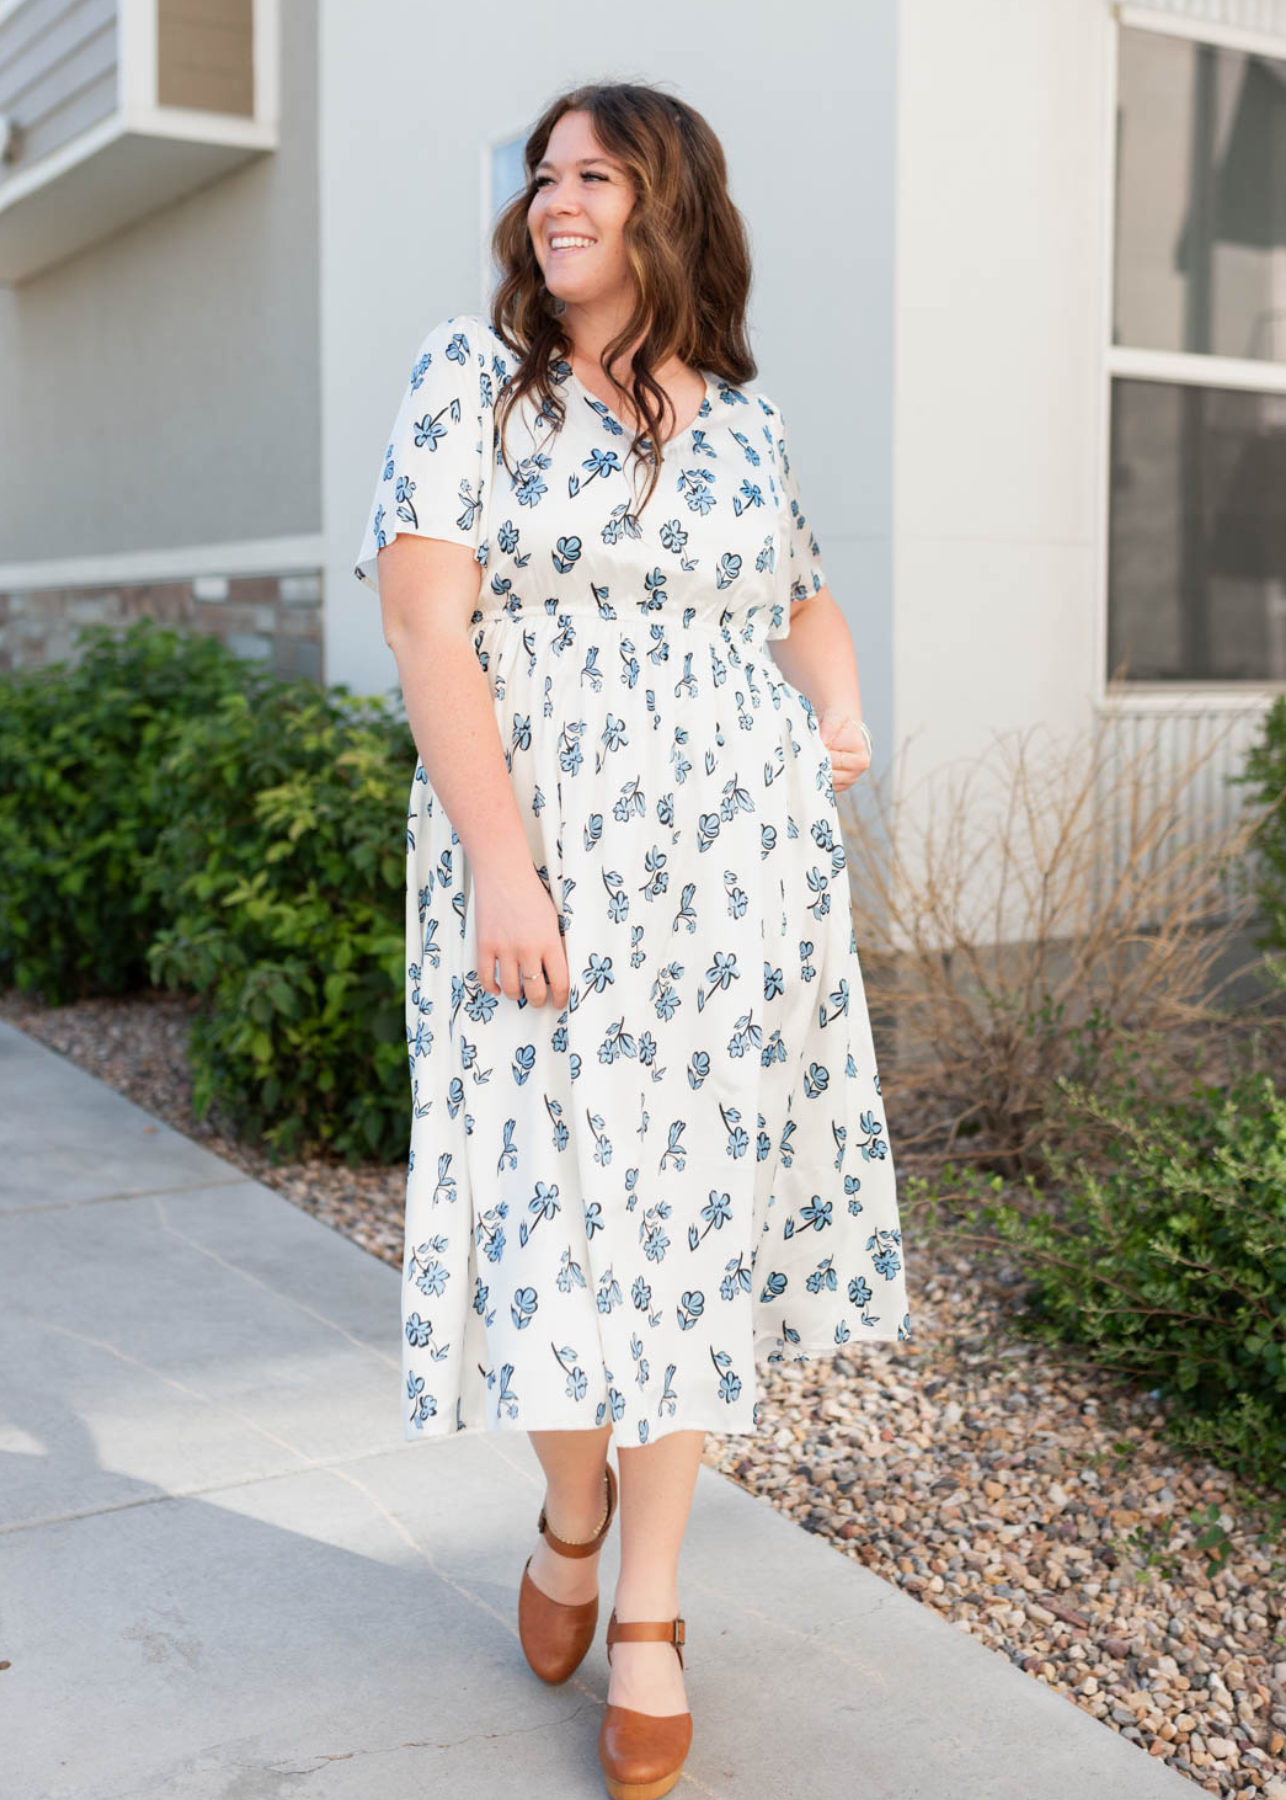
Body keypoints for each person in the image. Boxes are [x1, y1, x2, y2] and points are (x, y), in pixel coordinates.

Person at [353, 79, 911, 1800]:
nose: (555, 199)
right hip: (535, 862)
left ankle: (651, 1607)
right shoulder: (471, 379)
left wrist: (838, 705)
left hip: (735, 873)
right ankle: (573, 1514)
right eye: (541, 176)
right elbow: (428, 633)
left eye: (593, 172)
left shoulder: (742, 418)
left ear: (670, 204)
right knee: (543, 1212)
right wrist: (504, 868)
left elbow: (801, 589)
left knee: (690, 1223)